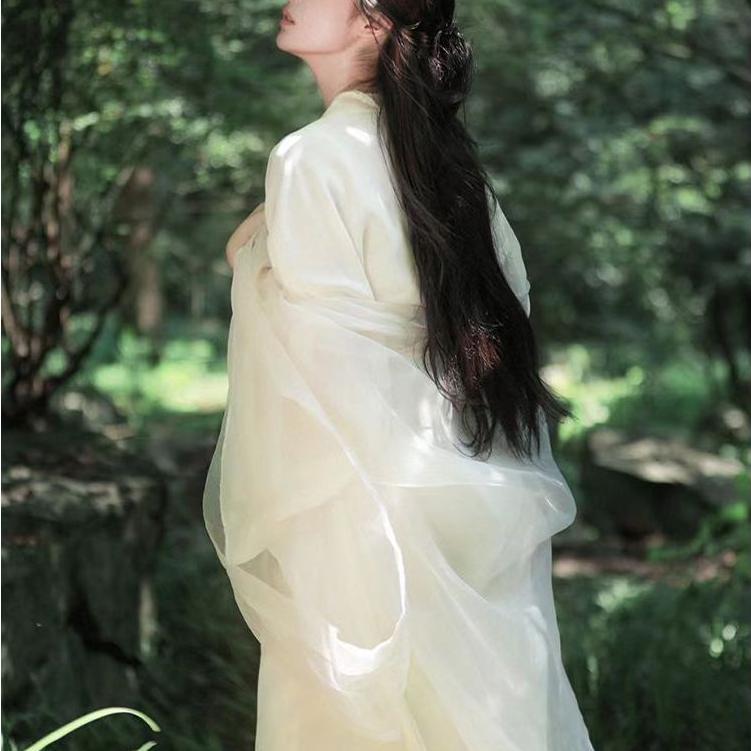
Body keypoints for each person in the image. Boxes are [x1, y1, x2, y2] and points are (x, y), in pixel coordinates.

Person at [203, 1, 597, 749]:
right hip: (468, 486)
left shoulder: (310, 157)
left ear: (373, 22)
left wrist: (254, 261)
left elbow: (314, 354)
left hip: (360, 500)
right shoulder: (451, 173)